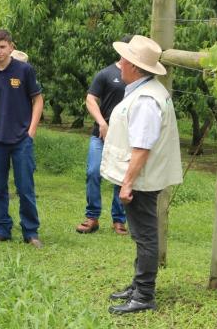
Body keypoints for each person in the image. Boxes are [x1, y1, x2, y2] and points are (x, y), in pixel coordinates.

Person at [101, 35, 182, 315]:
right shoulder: (145, 90)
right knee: (140, 234)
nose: (119, 63)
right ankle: (138, 287)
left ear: (135, 66)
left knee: (145, 236)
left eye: (124, 59)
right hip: (144, 177)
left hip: (143, 180)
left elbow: (141, 147)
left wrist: (127, 182)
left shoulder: (146, 99)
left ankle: (144, 294)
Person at [0, 29, 44, 248]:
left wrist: (31, 131)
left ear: (11, 47)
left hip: (21, 139)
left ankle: (30, 231)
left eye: (2, 47)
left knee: (25, 187)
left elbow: (37, 100)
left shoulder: (24, 70)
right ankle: (2, 228)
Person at [76, 36, 132, 236]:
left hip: (126, 136)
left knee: (121, 176)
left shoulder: (138, 77)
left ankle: (119, 220)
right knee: (93, 171)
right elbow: (91, 99)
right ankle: (92, 217)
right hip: (100, 135)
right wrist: (102, 122)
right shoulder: (106, 74)